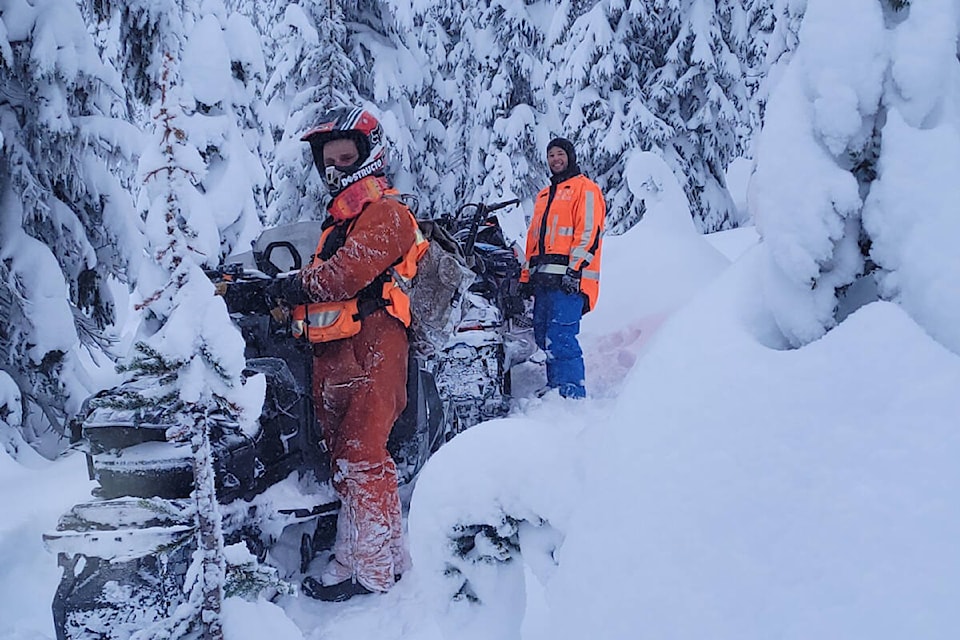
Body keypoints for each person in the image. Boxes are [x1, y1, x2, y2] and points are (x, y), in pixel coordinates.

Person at [271, 107, 424, 601]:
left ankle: (375, 573)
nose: (336, 168)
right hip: (338, 353)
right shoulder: (338, 221)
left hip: (374, 345)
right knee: (349, 463)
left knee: (363, 460)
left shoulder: (386, 213)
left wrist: (280, 289)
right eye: (328, 160)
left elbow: (339, 278)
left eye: (346, 156)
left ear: (369, 154)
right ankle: (361, 558)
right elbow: (325, 289)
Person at [517, 137, 606, 399]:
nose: (556, 159)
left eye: (560, 154)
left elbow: (589, 232)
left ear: (570, 156)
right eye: (551, 155)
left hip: (570, 281)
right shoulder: (544, 196)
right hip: (543, 281)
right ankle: (556, 388)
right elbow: (533, 240)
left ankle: (571, 392)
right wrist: (526, 278)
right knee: (544, 335)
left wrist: (575, 271)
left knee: (562, 335)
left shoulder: (585, 189)